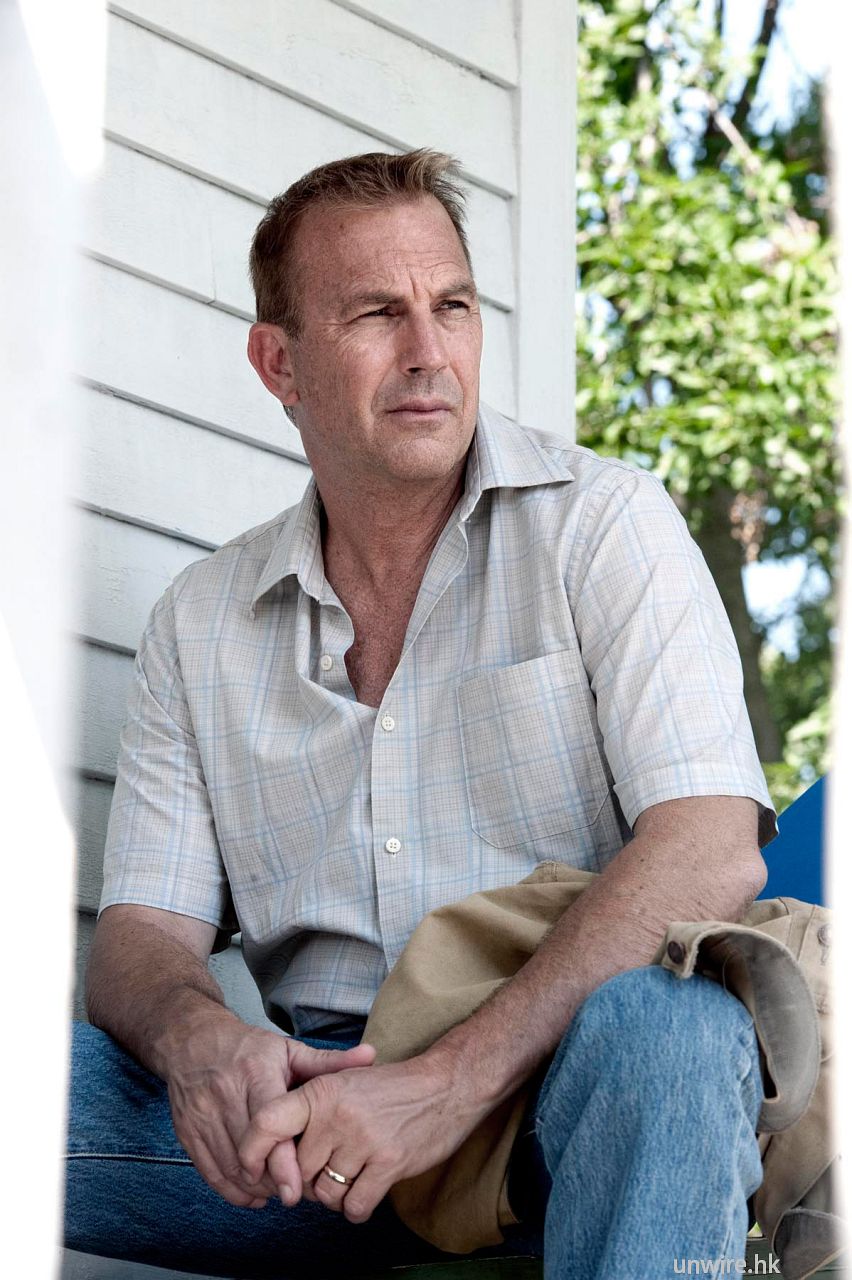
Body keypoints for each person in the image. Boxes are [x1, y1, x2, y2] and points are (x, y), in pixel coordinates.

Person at [66, 149, 779, 1280]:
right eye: (375, 314)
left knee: (675, 1027)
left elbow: (710, 845)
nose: (429, 350)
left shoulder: (604, 525)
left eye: (452, 305)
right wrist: (200, 1039)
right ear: (280, 362)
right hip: (312, 1132)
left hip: (559, 1092)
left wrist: (445, 1084)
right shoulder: (201, 623)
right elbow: (140, 939)